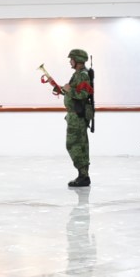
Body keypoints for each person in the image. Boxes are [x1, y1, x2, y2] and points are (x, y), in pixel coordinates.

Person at [56, 48, 93, 187]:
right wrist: (59, 88)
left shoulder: (82, 75)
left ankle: (83, 176)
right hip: (74, 116)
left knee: (74, 145)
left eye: (71, 59)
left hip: (77, 116)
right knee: (79, 145)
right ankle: (83, 175)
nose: (70, 62)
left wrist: (68, 90)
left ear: (78, 61)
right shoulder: (78, 74)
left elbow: (83, 95)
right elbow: (73, 91)